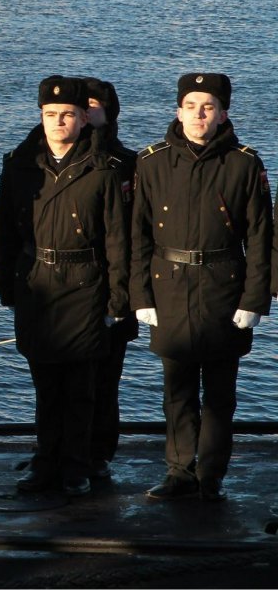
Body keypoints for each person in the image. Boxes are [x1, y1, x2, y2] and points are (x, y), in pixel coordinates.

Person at [131, 73, 272, 502]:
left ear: (223, 113)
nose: (198, 114)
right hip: (169, 286)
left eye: (207, 106)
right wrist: (141, 297)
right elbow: (136, 234)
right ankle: (178, 471)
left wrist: (255, 300)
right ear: (178, 111)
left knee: (220, 394)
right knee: (176, 391)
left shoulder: (245, 163)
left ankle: (209, 476)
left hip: (222, 288)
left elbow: (262, 237)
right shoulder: (151, 162)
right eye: (190, 105)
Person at [0, 76, 129, 497]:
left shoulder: (103, 169)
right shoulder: (19, 166)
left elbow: (117, 241)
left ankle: (76, 465)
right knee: (45, 385)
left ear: (83, 118)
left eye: (67, 114)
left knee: (81, 388)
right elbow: (4, 233)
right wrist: (7, 287)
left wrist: (118, 298)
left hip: (85, 284)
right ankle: (46, 462)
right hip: (37, 282)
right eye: (50, 115)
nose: (58, 122)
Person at [81, 77, 138, 481]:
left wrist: (127, 296)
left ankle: (98, 454)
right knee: (60, 376)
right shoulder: (44, 159)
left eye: (94, 106)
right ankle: (58, 449)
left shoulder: (128, 163)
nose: (86, 114)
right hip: (67, 284)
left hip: (111, 284)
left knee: (106, 378)